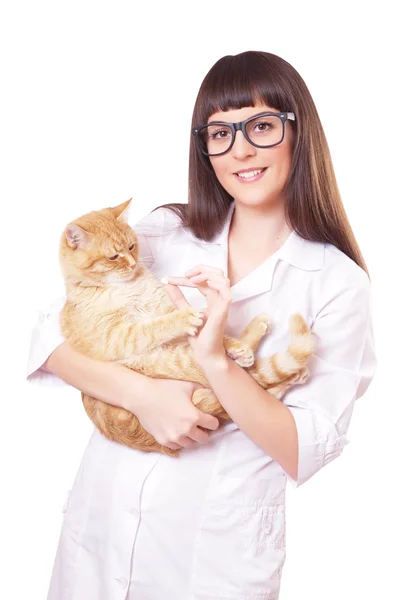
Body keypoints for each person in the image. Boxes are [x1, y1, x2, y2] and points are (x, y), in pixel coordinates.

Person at [27, 50, 376, 600]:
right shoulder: (162, 233)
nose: (239, 149)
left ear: (298, 132)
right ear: (205, 149)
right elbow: (50, 335)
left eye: (261, 126)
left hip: (211, 562)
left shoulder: (336, 282)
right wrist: (142, 395)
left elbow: (302, 449)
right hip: (99, 534)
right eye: (219, 133)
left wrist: (216, 361)